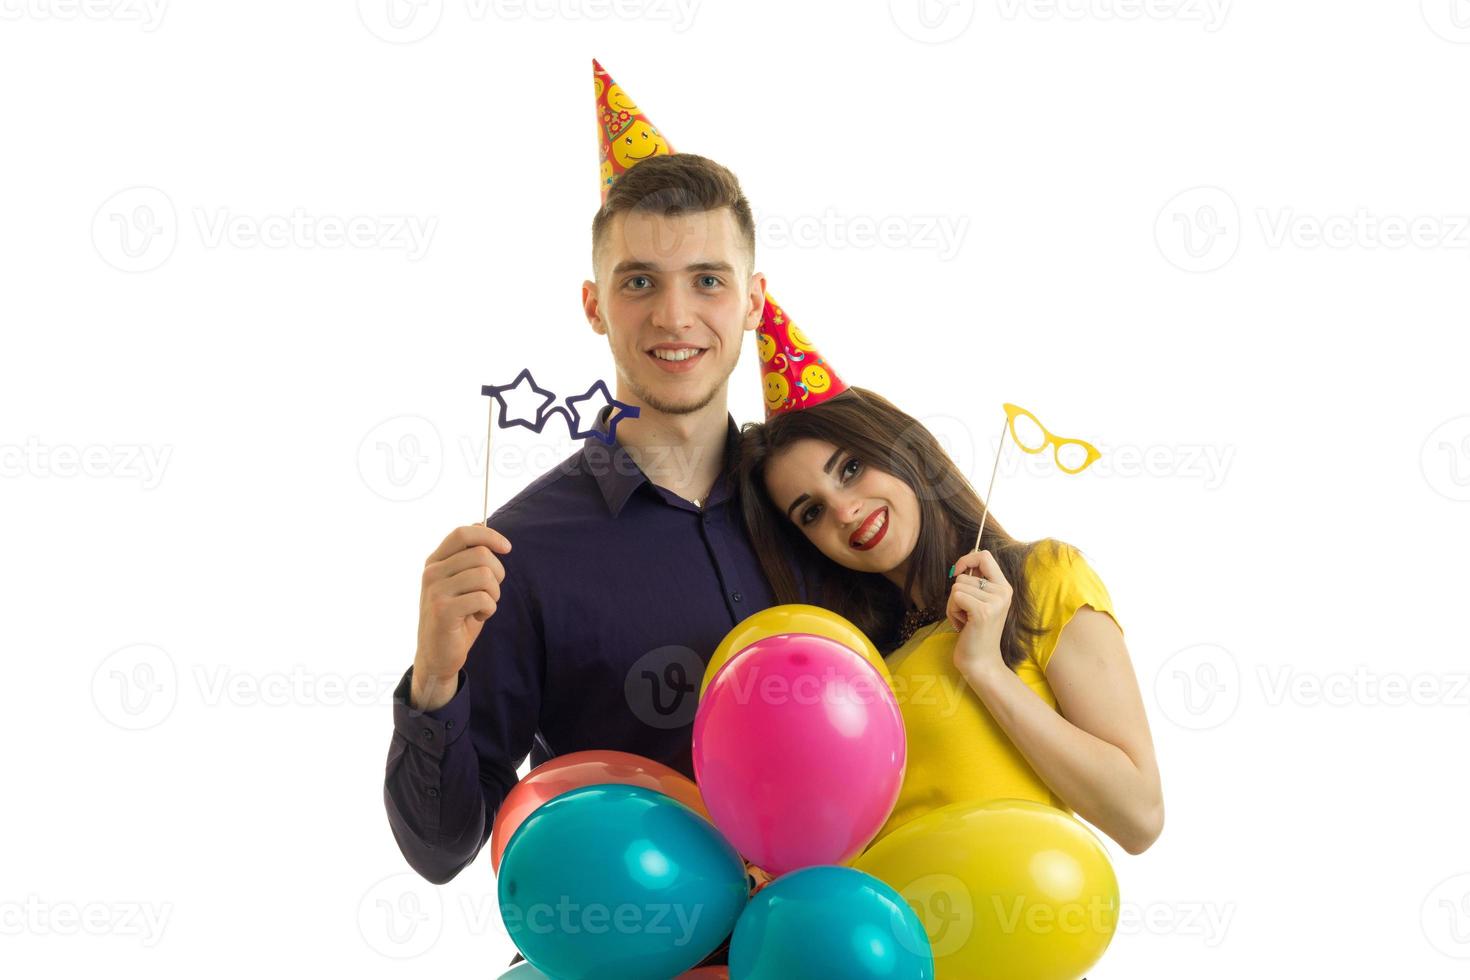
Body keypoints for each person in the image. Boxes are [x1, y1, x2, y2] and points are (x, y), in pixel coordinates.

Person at [384, 153, 819, 970]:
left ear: (755, 301)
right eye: (640, 282)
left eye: (708, 281)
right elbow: (440, 850)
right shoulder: (520, 554)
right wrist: (434, 676)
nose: (675, 315)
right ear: (594, 305)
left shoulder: (824, 515)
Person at [735, 341, 1165, 855]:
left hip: (1023, 923)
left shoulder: (1043, 576)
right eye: (811, 513)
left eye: (850, 469)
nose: (844, 512)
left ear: (902, 448)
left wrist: (986, 669)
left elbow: (1139, 816)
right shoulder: (855, 666)